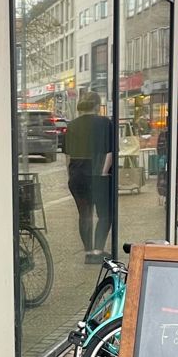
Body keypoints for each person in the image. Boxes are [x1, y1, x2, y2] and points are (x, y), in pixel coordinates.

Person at [64, 90, 114, 262]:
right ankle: (98, 251)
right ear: (98, 106)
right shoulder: (105, 122)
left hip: (77, 175)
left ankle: (88, 252)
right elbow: (110, 151)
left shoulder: (72, 125)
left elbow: (68, 156)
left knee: (84, 215)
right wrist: (103, 172)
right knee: (105, 214)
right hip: (97, 174)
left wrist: (71, 174)